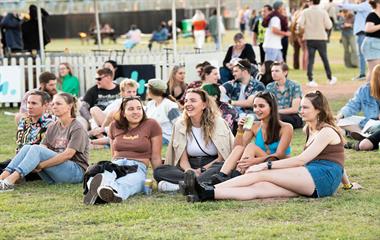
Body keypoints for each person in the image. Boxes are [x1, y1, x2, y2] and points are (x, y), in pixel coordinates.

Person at [184, 90, 347, 202]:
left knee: (260, 175)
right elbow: (339, 161)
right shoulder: (310, 129)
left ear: (318, 110)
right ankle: (208, 193)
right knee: (260, 188)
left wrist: (264, 166)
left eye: (305, 107)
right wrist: (347, 184)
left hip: (322, 177)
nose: (301, 110)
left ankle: (209, 185)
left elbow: (302, 160)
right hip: (315, 179)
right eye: (301, 107)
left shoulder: (326, 131)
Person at [0, 93, 89, 192]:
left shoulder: (77, 127)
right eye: (53, 104)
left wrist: (41, 165)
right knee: (28, 147)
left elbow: (68, 155)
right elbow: (43, 147)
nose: (54, 106)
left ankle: (9, 181)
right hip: (56, 171)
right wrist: (34, 161)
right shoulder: (53, 126)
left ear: (69, 106)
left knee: (35, 148)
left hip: (76, 172)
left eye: (58, 104)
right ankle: (3, 177)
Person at [153, 89, 234, 192]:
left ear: (204, 105)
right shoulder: (180, 124)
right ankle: (195, 184)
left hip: (212, 165)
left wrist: (202, 170)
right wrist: (189, 170)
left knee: (223, 167)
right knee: (159, 171)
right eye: (186, 101)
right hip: (189, 166)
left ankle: (181, 186)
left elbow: (221, 157)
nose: (188, 104)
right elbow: (183, 160)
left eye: (193, 100)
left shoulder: (218, 123)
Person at [84, 96, 162, 203]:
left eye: (139, 108)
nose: (136, 112)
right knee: (100, 175)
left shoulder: (151, 125)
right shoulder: (114, 126)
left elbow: (155, 156)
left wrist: (159, 178)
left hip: (138, 167)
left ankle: (109, 192)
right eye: (131, 109)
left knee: (130, 182)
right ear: (123, 113)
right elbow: (113, 153)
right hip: (116, 164)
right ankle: (107, 191)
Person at [208, 91, 293, 185]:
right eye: (255, 106)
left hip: (278, 165)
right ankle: (222, 175)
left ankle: (235, 176)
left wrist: (253, 161)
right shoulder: (254, 126)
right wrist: (240, 130)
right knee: (243, 147)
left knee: (251, 146)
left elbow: (279, 155)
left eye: (261, 106)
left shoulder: (286, 127)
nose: (257, 110)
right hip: (261, 164)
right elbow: (237, 148)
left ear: (272, 107)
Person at [0, 91, 55, 180]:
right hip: (18, 161)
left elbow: (46, 150)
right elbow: (20, 145)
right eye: (28, 103)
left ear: (45, 105)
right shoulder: (24, 121)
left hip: (37, 166)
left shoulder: (51, 123)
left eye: (34, 103)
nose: (29, 106)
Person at [88, 78, 138, 147]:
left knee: (114, 114)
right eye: (129, 92)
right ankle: (100, 137)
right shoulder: (117, 102)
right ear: (122, 93)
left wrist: (102, 129)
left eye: (134, 92)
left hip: (124, 129)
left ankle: (100, 138)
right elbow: (103, 116)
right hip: (109, 128)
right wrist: (96, 128)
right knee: (94, 109)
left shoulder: (138, 104)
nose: (132, 94)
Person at [298, 0, 336, 87]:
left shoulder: (305, 11)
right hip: (321, 38)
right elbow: (329, 25)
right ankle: (330, 78)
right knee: (324, 58)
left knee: (310, 59)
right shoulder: (323, 12)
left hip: (310, 38)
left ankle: (310, 79)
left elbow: (300, 24)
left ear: (311, 2)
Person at [336, 64, 380, 133]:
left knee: (377, 126)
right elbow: (353, 105)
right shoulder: (364, 90)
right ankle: (364, 134)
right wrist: (341, 114)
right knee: (342, 121)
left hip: (377, 124)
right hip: (368, 123)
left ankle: (362, 134)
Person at [339, 0, 372, 81]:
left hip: (363, 33)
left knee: (362, 54)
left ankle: (363, 74)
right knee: (362, 54)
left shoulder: (365, 5)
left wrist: (341, 4)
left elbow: (352, 7)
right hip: (361, 33)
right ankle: (363, 73)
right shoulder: (364, 5)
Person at [266, 62, 303, 129]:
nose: (273, 73)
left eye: (277, 71)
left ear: (285, 72)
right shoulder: (269, 87)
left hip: (293, 116)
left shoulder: (295, 85)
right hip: (276, 115)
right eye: (272, 71)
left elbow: (295, 109)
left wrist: (276, 112)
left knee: (277, 118)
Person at [145, 79, 181, 145]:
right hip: (151, 136)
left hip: (165, 138)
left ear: (153, 91)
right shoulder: (149, 104)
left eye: (148, 89)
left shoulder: (169, 105)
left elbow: (178, 125)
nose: (146, 91)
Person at [361, 0, 380, 80]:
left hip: (377, 44)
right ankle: (367, 91)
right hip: (371, 45)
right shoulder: (372, 15)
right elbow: (368, 29)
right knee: (373, 72)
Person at [290, 2, 309, 70]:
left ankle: (296, 66)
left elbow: (292, 24)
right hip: (302, 34)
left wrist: (292, 35)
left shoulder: (296, 13)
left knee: (296, 51)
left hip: (295, 34)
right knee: (305, 51)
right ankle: (305, 67)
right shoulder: (305, 14)